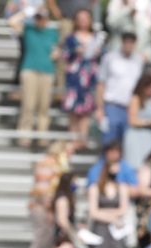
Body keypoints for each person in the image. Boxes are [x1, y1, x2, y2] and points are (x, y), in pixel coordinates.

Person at [10, 6, 60, 147]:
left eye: (42, 17)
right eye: (37, 17)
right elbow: (12, 22)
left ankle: (42, 136)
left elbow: (60, 47)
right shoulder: (29, 30)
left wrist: (57, 52)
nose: (40, 20)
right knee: (28, 105)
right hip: (30, 70)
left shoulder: (52, 33)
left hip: (47, 71)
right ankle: (24, 136)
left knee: (44, 107)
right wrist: (27, 12)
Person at [87, 147, 132, 248]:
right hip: (101, 229)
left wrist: (104, 213)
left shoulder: (122, 187)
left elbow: (124, 209)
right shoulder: (95, 188)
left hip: (115, 231)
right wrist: (113, 218)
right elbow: (93, 212)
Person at [61, 9, 101, 148]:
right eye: (80, 18)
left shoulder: (96, 37)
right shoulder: (71, 37)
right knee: (73, 110)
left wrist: (98, 53)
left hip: (90, 77)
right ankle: (73, 138)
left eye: (86, 18)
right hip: (75, 76)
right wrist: (75, 51)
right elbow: (64, 55)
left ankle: (83, 139)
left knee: (86, 110)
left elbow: (103, 57)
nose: (83, 21)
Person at [96, 31, 145, 146]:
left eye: (131, 43)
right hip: (112, 105)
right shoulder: (110, 58)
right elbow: (101, 83)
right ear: (122, 43)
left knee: (127, 145)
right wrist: (99, 108)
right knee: (109, 144)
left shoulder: (139, 61)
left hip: (130, 108)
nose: (129, 45)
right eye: (127, 42)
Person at [26, 140, 69, 248]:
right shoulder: (48, 163)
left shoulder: (55, 164)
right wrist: (49, 210)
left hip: (46, 208)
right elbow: (43, 190)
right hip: (41, 208)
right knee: (40, 241)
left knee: (46, 241)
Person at [122, 74, 151, 170]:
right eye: (149, 87)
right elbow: (132, 120)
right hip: (136, 137)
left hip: (149, 138)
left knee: (147, 167)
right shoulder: (135, 99)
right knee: (134, 166)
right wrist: (150, 122)